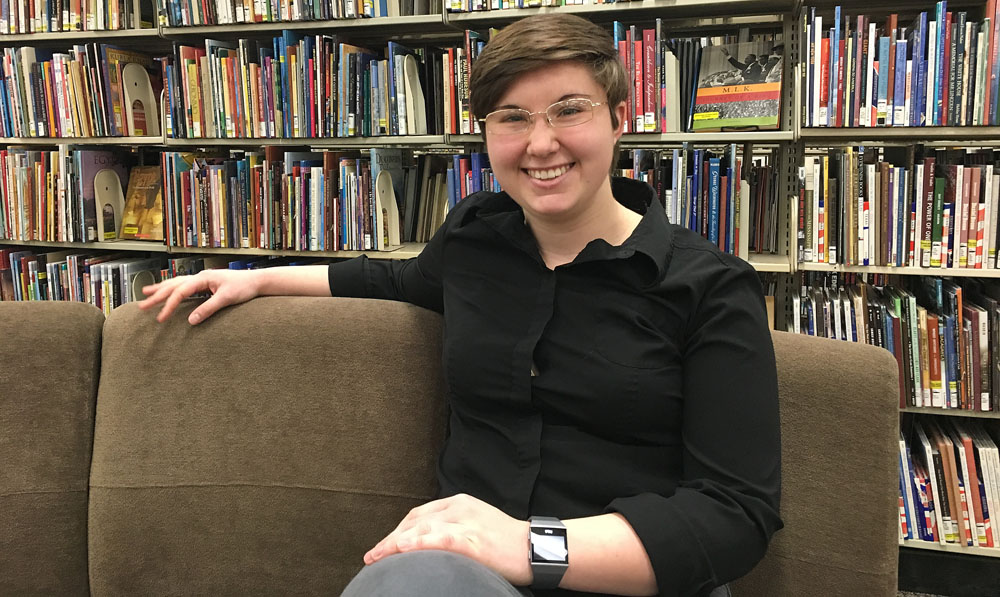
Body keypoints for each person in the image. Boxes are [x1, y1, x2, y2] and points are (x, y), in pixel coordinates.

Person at [138, 13, 782, 597]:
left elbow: (737, 512)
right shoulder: (477, 236)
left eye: (568, 110)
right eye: (511, 117)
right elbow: (396, 283)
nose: (540, 143)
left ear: (620, 117)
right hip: (463, 580)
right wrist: (257, 280)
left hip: (632, 581)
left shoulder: (711, 287)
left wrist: (529, 545)